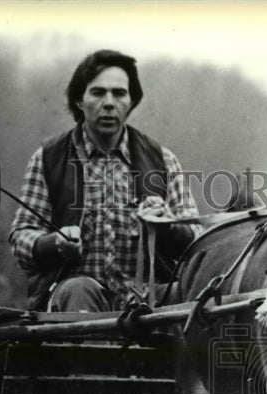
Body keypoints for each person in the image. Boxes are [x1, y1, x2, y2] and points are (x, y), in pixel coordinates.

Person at [10, 49, 200, 312]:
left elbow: (199, 243)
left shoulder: (164, 161)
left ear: (132, 101)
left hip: (149, 302)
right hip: (73, 301)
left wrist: (169, 225)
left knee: (192, 296)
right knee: (78, 290)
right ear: (79, 100)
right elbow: (21, 238)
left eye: (119, 94)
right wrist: (56, 242)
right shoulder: (47, 159)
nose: (109, 103)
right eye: (98, 93)